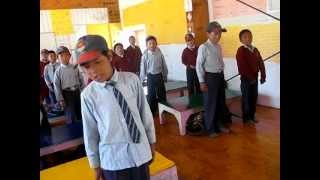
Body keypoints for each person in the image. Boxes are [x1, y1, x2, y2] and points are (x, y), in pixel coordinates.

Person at [76, 35, 156, 180]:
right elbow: (90, 132)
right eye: (86, 66)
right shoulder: (88, 95)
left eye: (98, 62)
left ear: (109, 56)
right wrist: (95, 164)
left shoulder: (132, 80)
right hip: (113, 161)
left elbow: (144, 114)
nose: (93, 70)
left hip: (139, 153)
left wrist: (151, 141)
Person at [196, 21, 230, 138]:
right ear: (208, 34)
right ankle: (210, 129)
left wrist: (223, 78)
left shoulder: (219, 47)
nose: (218, 36)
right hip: (209, 78)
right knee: (210, 104)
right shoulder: (203, 47)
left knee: (220, 102)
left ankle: (219, 124)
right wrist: (201, 82)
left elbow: (220, 63)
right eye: (215, 33)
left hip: (219, 77)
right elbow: (199, 65)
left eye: (219, 33)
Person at [236, 29, 266, 125]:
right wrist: (251, 78)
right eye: (245, 37)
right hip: (246, 79)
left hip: (255, 78)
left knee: (254, 97)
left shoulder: (255, 50)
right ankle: (246, 119)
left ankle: (252, 117)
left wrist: (263, 76)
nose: (248, 38)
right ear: (241, 40)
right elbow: (242, 66)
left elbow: (260, 63)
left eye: (250, 36)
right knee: (246, 98)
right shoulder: (241, 51)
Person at [53, 46, 85, 124]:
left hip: (77, 92)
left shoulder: (74, 67)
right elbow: (56, 86)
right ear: (58, 58)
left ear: (70, 56)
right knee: (70, 114)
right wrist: (60, 99)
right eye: (61, 56)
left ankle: (82, 129)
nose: (64, 58)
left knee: (80, 111)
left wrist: (83, 91)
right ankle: (72, 131)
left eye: (66, 55)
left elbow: (81, 80)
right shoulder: (58, 71)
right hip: (67, 94)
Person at [140, 35, 168, 116]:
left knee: (161, 93)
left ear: (156, 44)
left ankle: (164, 109)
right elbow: (143, 68)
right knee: (151, 94)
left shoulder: (159, 52)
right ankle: (152, 111)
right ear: (147, 45)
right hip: (150, 76)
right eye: (150, 43)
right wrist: (141, 80)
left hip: (159, 75)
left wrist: (165, 75)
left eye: (154, 43)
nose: (152, 45)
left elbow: (164, 64)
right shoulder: (145, 55)